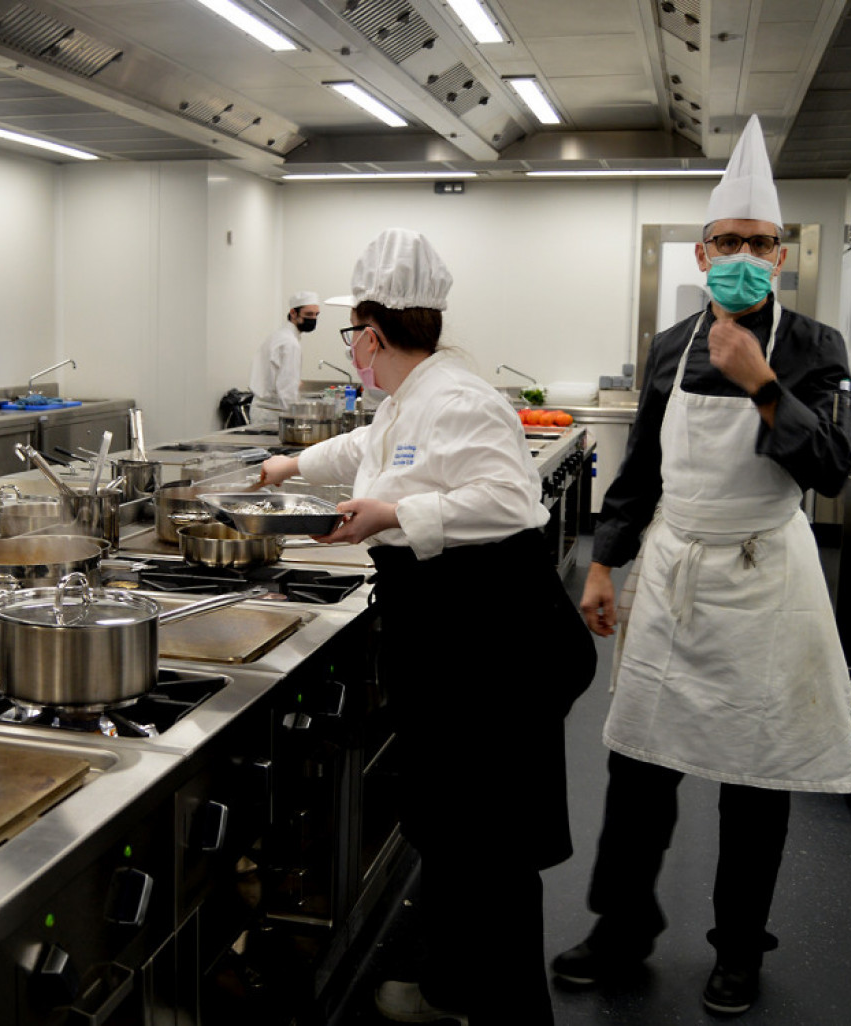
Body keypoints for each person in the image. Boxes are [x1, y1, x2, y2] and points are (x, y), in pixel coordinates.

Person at [553, 114, 851, 1016]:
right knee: (638, 767)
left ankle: (737, 950)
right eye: (726, 240)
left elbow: (831, 471)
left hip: (764, 575)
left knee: (754, 775)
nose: (742, 255)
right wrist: (604, 566)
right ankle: (621, 928)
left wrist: (763, 382)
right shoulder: (667, 347)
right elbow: (641, 466)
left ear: (782, 257)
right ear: (700, 252)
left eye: (759, 244)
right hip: (674, 570)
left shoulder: (814, 348)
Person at [259, 229, 596, 1025]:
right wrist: (290, 468)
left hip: (491, 646)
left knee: (491, 850)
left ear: (372, 335)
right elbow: (372, 446)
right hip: (449, 636)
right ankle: (450, 988)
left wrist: (393, 512)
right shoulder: (410, 397)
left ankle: (511, 1012)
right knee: (448, 830)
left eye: (352, 337)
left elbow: (512, 503)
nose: (350, 351)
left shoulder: (460, 397)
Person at [248, 291, 320, 423]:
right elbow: (287, 391)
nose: (313, 319)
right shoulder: (290, 343)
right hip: (272, 414)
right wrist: (299, 418)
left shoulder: (280, 336)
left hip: (263, 409)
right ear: (293, 313)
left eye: (316, 315)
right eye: (309, 314)